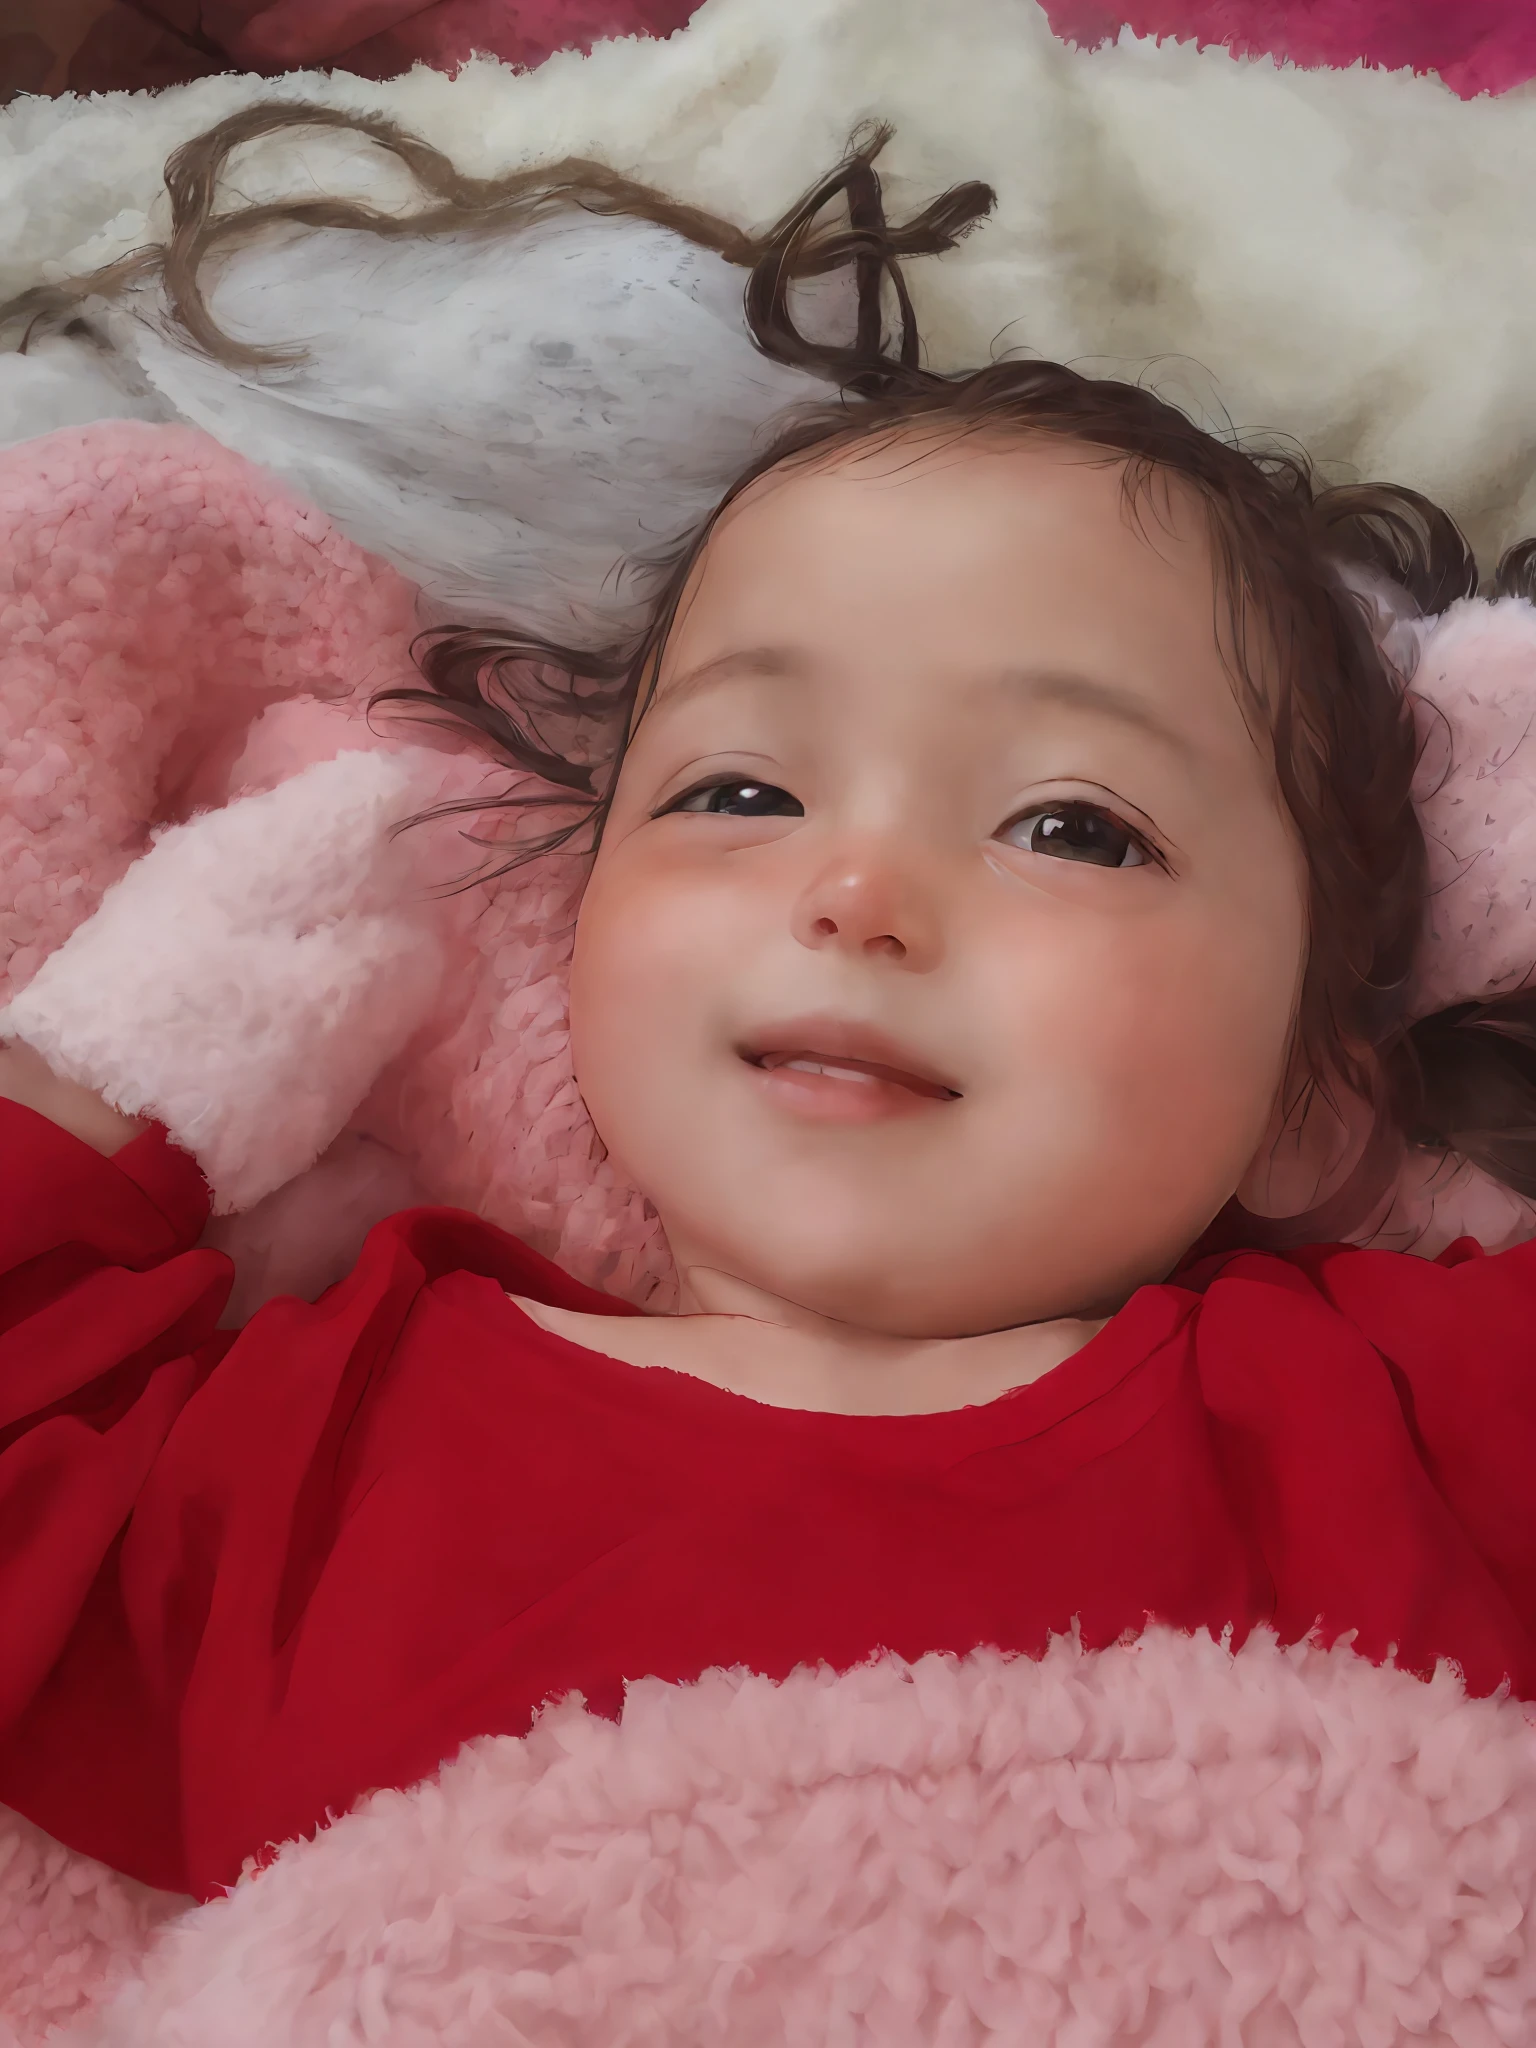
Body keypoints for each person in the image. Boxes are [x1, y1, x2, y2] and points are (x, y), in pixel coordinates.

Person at [3, 350, 1535, 1906]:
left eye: (1073, 826)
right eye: (739, 794)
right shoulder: (329, 1449)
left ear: (1309, 1101)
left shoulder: (1391, 1428)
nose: (858, 895)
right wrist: (144, 1057)